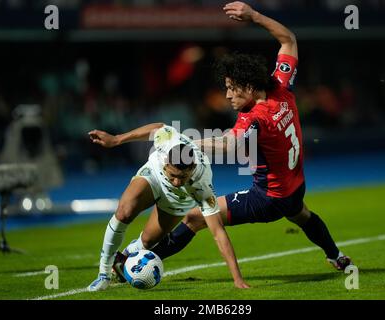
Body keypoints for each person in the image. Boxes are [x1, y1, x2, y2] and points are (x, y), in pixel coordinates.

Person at [113, 1, 353, 276]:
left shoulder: (254, 117)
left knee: (194, 218)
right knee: (302, 215)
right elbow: (288, 39)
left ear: (249, 87)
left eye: (232, 89)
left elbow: (228, 144)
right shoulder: (281, 87)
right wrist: (254, 16)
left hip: (268, 198)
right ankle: (337, 256)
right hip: (295, 186)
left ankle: (136, 264)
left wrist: (185, 141)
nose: (227, 96)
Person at [87, 123, 250, 291]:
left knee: (148, 240)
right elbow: (156, 127)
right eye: (173, 175)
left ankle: (124, 259)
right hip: (154, 177)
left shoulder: (202, 184)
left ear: (192, 167)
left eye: (183, 177)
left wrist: (237, 278)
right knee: (124, 213)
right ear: (166, 162)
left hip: (180, 200)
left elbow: (218, 232)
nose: (177, 182)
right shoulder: (168, 138)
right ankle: (104, 274)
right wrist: (117, 139)